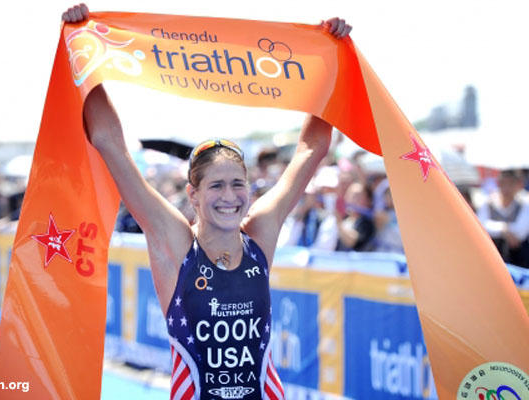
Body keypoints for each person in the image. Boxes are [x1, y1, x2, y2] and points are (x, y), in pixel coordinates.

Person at [63, 5, 352, 399]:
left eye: (237, 184)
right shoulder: (175, 243)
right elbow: (108, 141)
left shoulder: (261, 231)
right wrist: (84, 50)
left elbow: (312, 148)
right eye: (216, 186)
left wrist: (330, 57)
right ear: (193, 194)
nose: (229, 197)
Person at [477, 169, 529, 268]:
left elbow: (520, 232)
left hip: (519, 258)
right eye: (503, 183)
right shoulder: (488, 202)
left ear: (518, 184)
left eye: (511, 184)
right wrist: (503, 229)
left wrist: (497, 228)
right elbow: (480, 226)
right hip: (492, 254)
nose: (506, 188)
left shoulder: (525, 203)